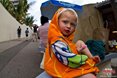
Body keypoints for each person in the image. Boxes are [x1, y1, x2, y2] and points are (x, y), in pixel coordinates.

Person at [37, 8, 100, 78]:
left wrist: (78, 51)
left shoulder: (65, 39)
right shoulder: (56, 40)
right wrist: (87, 61)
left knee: (79, 42)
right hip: (63, 66)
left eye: (72, 24)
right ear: (57, 22)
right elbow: (68, 59)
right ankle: (90, 60)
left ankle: (91, 57)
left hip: (46, 48)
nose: (69, 26)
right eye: (65, 22)